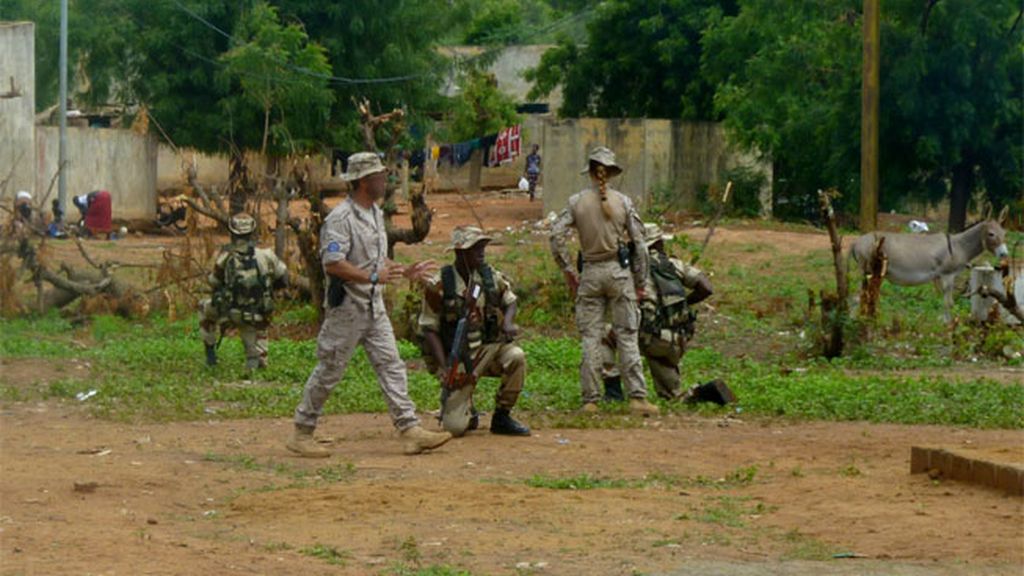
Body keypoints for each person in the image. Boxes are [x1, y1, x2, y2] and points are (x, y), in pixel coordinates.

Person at [287, 152, 452, 458]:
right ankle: (302, 431)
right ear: (363, 181)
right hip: (347, 309)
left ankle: (409, 429)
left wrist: (404, 272)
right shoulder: (341, 219)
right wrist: (372, 276)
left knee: (392, 365)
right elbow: (333, 263)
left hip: (373, 307)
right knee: (330, 369)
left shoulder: (375, 213)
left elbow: (376, 261)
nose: (384, 180)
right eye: (379, 176)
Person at [549, 146, 659, 417]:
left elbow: (555, 236)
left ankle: (591, 400)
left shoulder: (576, 202)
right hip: (618, 273)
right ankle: (637, 398)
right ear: (610, 172)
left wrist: (567, 270)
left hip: (590, 273)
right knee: (627, 335)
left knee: (590, 337)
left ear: (590, 171)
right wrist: (641, 279)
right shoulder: (623, 201)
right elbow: (640, 244)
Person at [419, 225, 531, 437]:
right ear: (460, 252)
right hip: (459, 358)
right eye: (475, 248)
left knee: (516, 357)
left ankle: (502, 416)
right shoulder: (440, 284)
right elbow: (428, 329)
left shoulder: (489, 277)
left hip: (488, 349)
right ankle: (467, 409)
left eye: (483, 247)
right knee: (455, 427)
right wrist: (444, 367)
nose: (481, 252)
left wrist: (507, 323)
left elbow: (511, 301)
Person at [601, 222, 714, 401]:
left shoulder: (632, 267)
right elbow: (706, 287)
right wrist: (685, 303)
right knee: (672, 397)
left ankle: (613, 393)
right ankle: (697, 394)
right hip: (676, 341)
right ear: (659, 243)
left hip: (648, 337)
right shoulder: (673, 264)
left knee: (604, 334)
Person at [198, 212, 288, 370]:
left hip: (231, 313)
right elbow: (283, 279)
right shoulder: (267, 255)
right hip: (260, 315)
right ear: (253, 232)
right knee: (259, 336)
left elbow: (213, 282)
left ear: (232, 233)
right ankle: (259, 357)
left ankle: (211, 355)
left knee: (203, 308)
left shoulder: (225, 256)